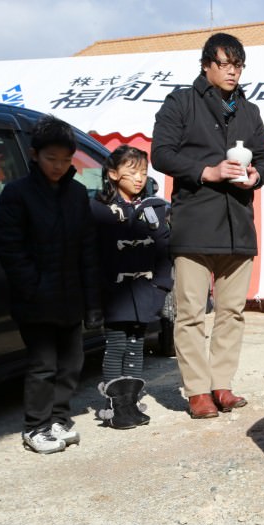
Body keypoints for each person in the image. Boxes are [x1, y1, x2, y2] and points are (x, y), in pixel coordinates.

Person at [151, 32, 264, 418]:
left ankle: (221, 385)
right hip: (195, 222)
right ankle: (197, 391)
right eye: (224, 63)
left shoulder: (249, 111)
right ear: (206, 65)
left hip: (239, 224)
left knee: (232, 311)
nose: (232, 71)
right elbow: (160, 154)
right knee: (190, 313)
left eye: (237, 65)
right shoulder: (181, 102)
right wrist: (206, 171)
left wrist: (256, 177)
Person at [0, 114, 102, 454]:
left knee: (72, 362)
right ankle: (35, 426)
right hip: (36, 299)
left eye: (66, 160)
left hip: (71, 296)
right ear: (34, 155)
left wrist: (93, 300)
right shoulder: (17, 194)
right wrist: (34, 288)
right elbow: (11, 250)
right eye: (51, 158)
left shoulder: (77, 194)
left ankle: (58, 418)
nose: (58, 166)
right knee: (43, 365)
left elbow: (88, 249)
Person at [90, 145, 171, 429]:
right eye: (132, 171)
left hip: (145, 291)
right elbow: (92, 255)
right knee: (116, 346)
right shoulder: (98, 209)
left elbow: (163, 249)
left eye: (144, 172)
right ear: (113, 174)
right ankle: (116, 406)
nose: (139, 178)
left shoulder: (153, 207)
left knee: (137, 345)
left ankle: (133, 401)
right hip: (114, 292)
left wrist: (162, 285)